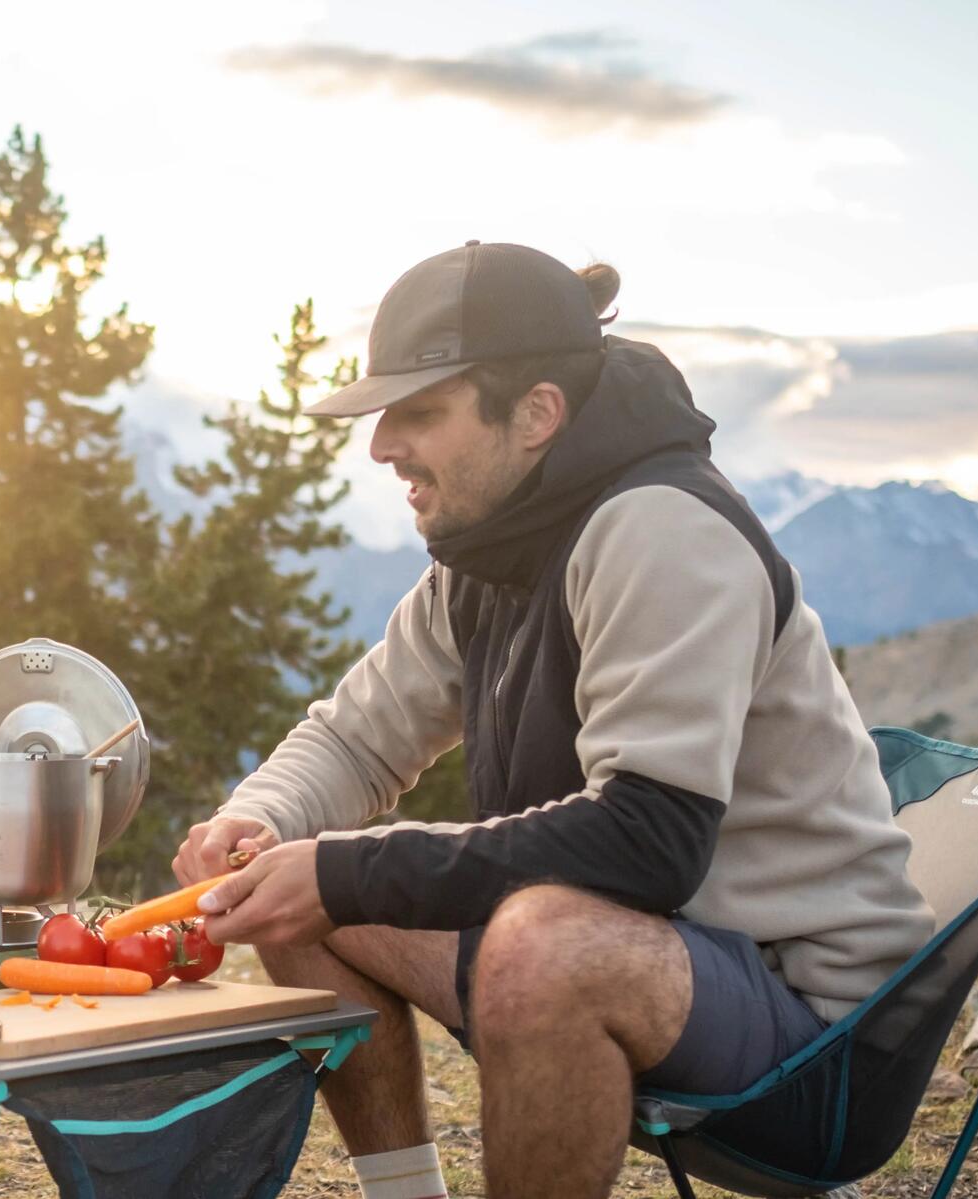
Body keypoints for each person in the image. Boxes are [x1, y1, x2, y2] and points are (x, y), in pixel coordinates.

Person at [173, 242, 936, 1199]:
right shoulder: (490, 550)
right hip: (660, 960)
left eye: (419, 412)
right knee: (296, 879)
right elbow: (357, 734)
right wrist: (265, 819)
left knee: (537, 938)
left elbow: (648, 840)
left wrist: (345, 868)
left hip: (817, 1040)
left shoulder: (663, 530)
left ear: (537, 413)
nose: (380, 446)